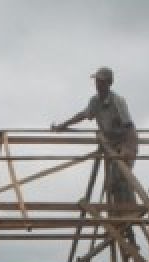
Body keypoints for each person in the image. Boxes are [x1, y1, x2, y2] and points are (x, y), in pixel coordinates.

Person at [51, 66, 139, 207]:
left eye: (101, 82)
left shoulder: (118, 101)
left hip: (125, 142)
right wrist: (63, 125)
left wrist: (128, 149)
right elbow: (83, 115)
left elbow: (129, 128)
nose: (98, 85)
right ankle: (119, 216)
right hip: (110, 143)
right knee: (111, 183)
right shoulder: (95, 101)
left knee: (120, 177)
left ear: (109, 83)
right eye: (97, 82)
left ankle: (130, 211)